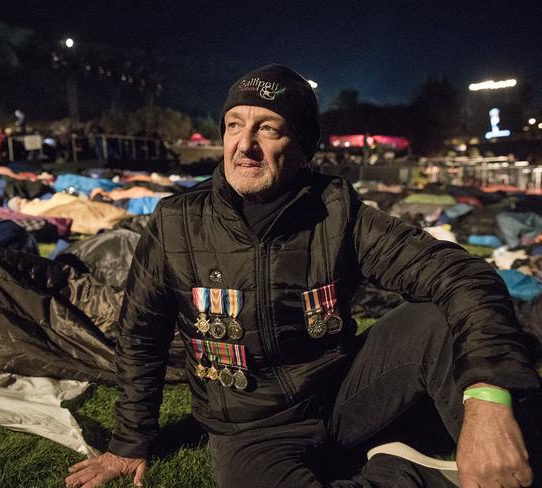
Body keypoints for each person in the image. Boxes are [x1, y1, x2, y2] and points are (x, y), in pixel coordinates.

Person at [65, 64, 541, 488]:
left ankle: (495, 460)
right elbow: (141, 335)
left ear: (303, 147)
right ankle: (406, 471)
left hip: (344, 395)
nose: (244, 146)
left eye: (267, 128)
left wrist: (488, 400)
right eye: (234, 125)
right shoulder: (176, 221)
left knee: (433, 320)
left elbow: (461, 274)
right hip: (251, 428)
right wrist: (129, 441)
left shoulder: (337, 211)